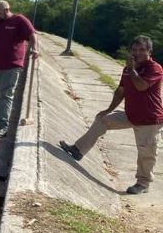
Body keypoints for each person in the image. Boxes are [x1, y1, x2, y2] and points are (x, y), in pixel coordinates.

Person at [60, 35, 163, 195]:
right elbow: (121, 91)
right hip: (131, 115)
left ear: (149, 51)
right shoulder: (128, 69)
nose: (137, 53)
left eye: (142, 50)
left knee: (146, 153)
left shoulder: (154, 68)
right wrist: (108, 110)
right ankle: (78, 150)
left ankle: (143, 184)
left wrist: (131, 69)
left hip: (149, 120)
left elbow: (142, 86)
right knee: (103, 120)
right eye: (134, 50)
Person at [0, 0, 38, 137]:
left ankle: (3, 125)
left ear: (6, 10)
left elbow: (32, 35)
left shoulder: (19, 20)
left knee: (5, 95)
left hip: (12, 66)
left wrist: (34, 48)